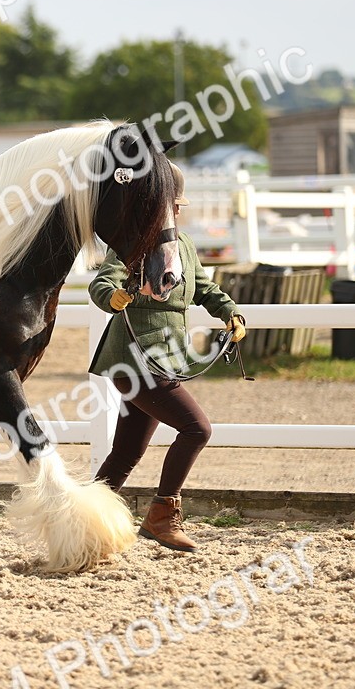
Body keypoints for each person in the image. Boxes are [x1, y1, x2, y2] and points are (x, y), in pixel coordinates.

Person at [87, 162, 246, 553]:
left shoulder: (183, 246)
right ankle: (162, 516)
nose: (172, 214)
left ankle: (81, 519)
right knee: (197, 429)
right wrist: (113, 296)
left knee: (126, 452)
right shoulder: (130, 241)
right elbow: (102, 281)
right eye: (165, 206)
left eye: (174, 207)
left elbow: (205, 288)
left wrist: (230, 313)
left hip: (163, 357)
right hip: (134, 355)